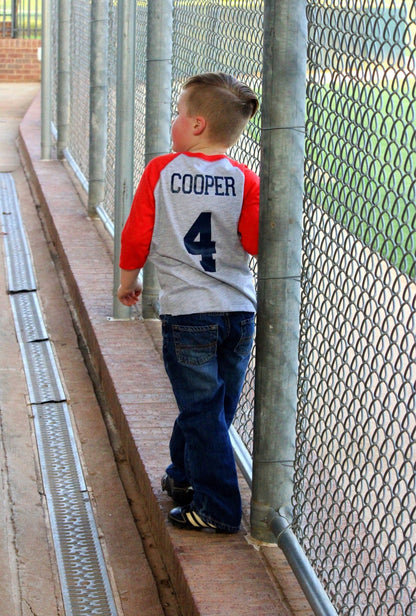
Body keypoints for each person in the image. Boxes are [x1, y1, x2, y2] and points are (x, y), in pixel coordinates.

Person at [117, 72, 259, 533]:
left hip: (189, 313)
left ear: (197, 124)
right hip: (238, 311)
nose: (173, 122)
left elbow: (137, 233)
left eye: (179, 114)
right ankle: (183, 477)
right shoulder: (246, 179)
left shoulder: (161, 170)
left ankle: (218, 508)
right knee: (211, 409)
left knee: (201, 409)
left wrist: (127, 279)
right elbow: (256, 242)